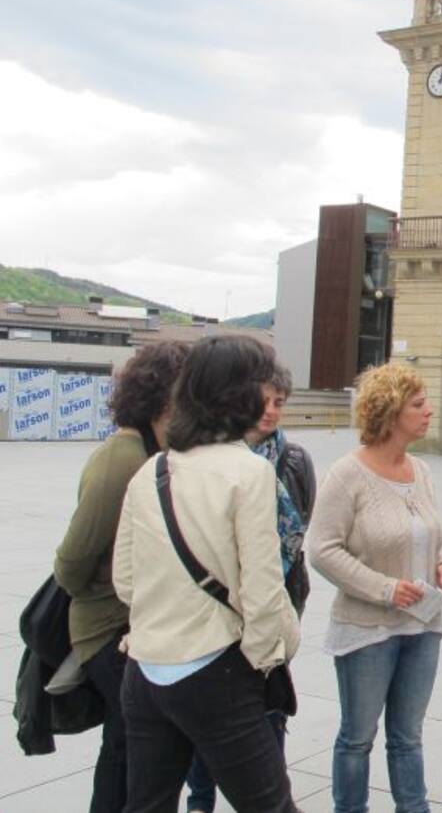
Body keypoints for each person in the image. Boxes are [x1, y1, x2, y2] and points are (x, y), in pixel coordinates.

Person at [113, 335, 302, 813]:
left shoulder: (152, 471)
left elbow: (126, 581)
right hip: (215, 669)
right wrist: (260, 665)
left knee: (147, 805)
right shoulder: (249, 473)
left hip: (146, 670)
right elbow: (263, 592)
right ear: (240, 392)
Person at [309, 362, 442, 813]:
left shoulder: (420, 470)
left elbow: (430, 537)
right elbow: (321, 549)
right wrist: (384, 588)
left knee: (407, 737)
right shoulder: (347, 474)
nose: (429, 412)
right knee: (357, 739)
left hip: (422, 627)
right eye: (418, 405)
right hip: (367, 630)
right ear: (391, 411)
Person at [52, 341, 189, 813]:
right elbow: (71, 560)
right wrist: (105, 594)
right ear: (159, 400)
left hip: (128, 627)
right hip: (107, 630)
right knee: (140, 747)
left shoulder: (151, 453)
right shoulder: (124, 460)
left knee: (124, 745)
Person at [183, 361, 317, 813]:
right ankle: (201, 800)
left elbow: (298, 533)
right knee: (211, 714)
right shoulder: (208, 460)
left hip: (278, 601)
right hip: (219, 607)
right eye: (264, 401)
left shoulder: (294, 460)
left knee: (268, 708)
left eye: (279, 403)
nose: (271, 411)